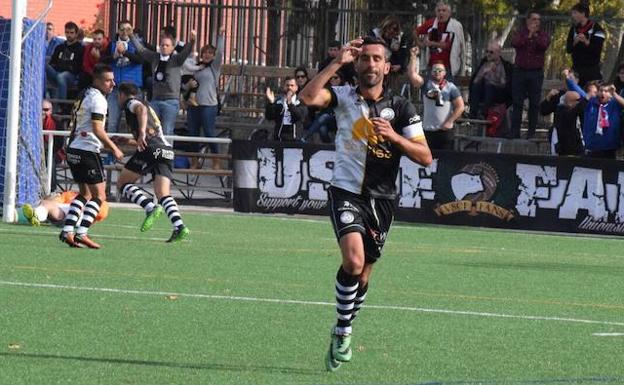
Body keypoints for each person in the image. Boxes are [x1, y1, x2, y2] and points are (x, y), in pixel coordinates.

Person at [298, 36, 432, 372]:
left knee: (365, 273)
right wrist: (335, 62)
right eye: (365, 59)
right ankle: (343, 331)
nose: (370, 64)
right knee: (354, 261)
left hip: (383, 197)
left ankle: (343, 326)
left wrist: (395, 137)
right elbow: (307, 96)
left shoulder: (402, 108)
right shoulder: (343, 96)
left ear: (387, 67)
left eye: (376, 59)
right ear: (357, 65)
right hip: (346, 191)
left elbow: (425, 157)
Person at [59, 64, 124, 249]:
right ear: (97, 80)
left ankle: (68, 230)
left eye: (113, 79)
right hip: (86, 150)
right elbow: (97, 128)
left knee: (85, 194)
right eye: (108, 80)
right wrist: (114, 148)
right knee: (100, 195)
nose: (113, 83)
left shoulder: (85, 93)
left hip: (73, 148)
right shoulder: (99, 100)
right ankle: (81, 232)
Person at [114, 82, 190, 242]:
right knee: (163, 194)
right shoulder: (149, 107)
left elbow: (140, 111)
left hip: (152, 150)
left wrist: (140, 133)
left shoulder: (132, 103)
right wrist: (129, 141)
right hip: (166, 150)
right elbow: (152, 137)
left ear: (121, 95)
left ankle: (150, 207)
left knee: (122, 184)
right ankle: (180, 227)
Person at [129, 24, 196, 135]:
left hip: (171, 101)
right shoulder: (154, 57)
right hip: (155, 99)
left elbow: (186, 52)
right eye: (162, 45)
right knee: (152, 129)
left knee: (167, 130)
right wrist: (131, 35)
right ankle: (155, 151)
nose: (164, 47)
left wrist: (192, 41)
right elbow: (141, 50)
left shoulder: (176, 59)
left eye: (167, 45)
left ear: (172, 47)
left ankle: (168, 152)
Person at [184, 26, 226, 164]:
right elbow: (185, 87)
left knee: (209, 132)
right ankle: (194, 161)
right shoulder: (196, 67)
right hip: (193, 106)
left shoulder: (214, 67)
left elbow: (220, 53)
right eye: (205, 52)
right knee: (192, 134)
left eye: (210, 53)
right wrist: (187, 86)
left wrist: (220, 36)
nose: (207, 55)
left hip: (209, 105)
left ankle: (216, 160)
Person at [566, 70, 624, 159]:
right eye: (601, 90)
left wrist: (615, 94)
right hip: (592, 148)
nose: (603, 93)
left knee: (608, 171)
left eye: (607, 91)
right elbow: (575, 88)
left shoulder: (615, 104)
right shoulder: (591, 103)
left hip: (609, 149)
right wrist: (567, 77)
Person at [511, 10, 551, 139]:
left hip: (535, 73)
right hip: (520, 71)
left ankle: (531, 132)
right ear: (527, 20)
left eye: (538, 20)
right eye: (534, 19)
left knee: (534, 103)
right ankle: (515, 132)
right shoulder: (520, 33)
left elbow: (543, 46)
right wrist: (528, 34)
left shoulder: (543, 35)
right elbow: (516, 43)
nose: (536, 22)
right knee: (517, 102)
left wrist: (534, 35)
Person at [411, 61, 464, 150]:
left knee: (445, 159)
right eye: (435, 70)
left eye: (440, 70)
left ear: (444, 73)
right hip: (428, 130)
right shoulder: (426, 84)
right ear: (431, 72)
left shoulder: (451, 87)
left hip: (445, 131)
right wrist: (413, 57)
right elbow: (412, 75)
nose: (437, 72)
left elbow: (460, 106)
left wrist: (450, 121)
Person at [102, 20, 144, 133]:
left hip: (132, 88)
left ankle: (139, 148)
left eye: (128, 29)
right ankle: (112, 149)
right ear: (118, 31)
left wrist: (125, 53)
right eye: (122, 29)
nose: (125, 32)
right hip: (116, 88)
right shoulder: (111, 44)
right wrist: (114, 56)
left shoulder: (138, 44)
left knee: (135, 122)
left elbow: (141, 60)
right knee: (113, 122)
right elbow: (102, 61)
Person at [414, 1, 466, 80]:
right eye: (439, 11)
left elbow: (450, 46)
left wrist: (431, 43)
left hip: (449, 67)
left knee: (448, 91)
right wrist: (420, 43)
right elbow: (415, 32)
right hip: (432, 66)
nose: (441, 13)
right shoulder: (431, 23)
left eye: (444, 11)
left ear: (449, 13)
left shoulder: (456, 26)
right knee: (431, 91)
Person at [468, 40, 512, 120]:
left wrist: (495, 73)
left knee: (489, 86)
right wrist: (483, 73)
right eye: (487, 51)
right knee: (477, 86)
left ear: (498, 53)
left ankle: (484, 113)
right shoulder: (484, 63)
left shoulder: (505, 66)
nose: (488, 54)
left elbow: (504, 84)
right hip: (482, 92)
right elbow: (474, 82)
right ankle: (473, 113)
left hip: (498, 93)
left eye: (491, 52)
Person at [566, 2, 606, 87]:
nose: (573, 16)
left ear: (583, 13)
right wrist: (574, 42)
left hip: (592, 70)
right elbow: (568, 49)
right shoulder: (573, 29)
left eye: (575, 13)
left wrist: (586, 41)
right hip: (576, 69)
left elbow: (597, 50)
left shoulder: (597, 29)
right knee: (574, 96)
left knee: (593, 96)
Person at [21, 191, 108, 226]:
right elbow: (57, 202)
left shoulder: (100, 201)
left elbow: (101, 215)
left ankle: (35, 215)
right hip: (64, 213)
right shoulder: (71, 193)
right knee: (46, 203)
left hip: (78, 216)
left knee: (48, 205)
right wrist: (52, 198)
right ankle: (35, 216)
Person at [46, 21, 84, 100]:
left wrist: (65, 67)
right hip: (56, 73)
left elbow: (77, 67)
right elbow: (53, 62)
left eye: (71, 32)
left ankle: (62, 104)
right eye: (67, 32)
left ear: (76, 34)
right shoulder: (60, 47)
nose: (69, 35)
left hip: (71, 76)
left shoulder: (80, 48)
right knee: (44, 66)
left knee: (61, 76)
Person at [265, 77, 308, 141]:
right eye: (287, 85)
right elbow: (269, 117)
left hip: (295, 140)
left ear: (296, 88)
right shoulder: (279, 102)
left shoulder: (301, 103)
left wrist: (290, 103)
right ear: (284, 87)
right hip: (279, 138)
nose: (289, 88)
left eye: (292, 85)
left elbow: (300, 117)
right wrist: (271, 103)